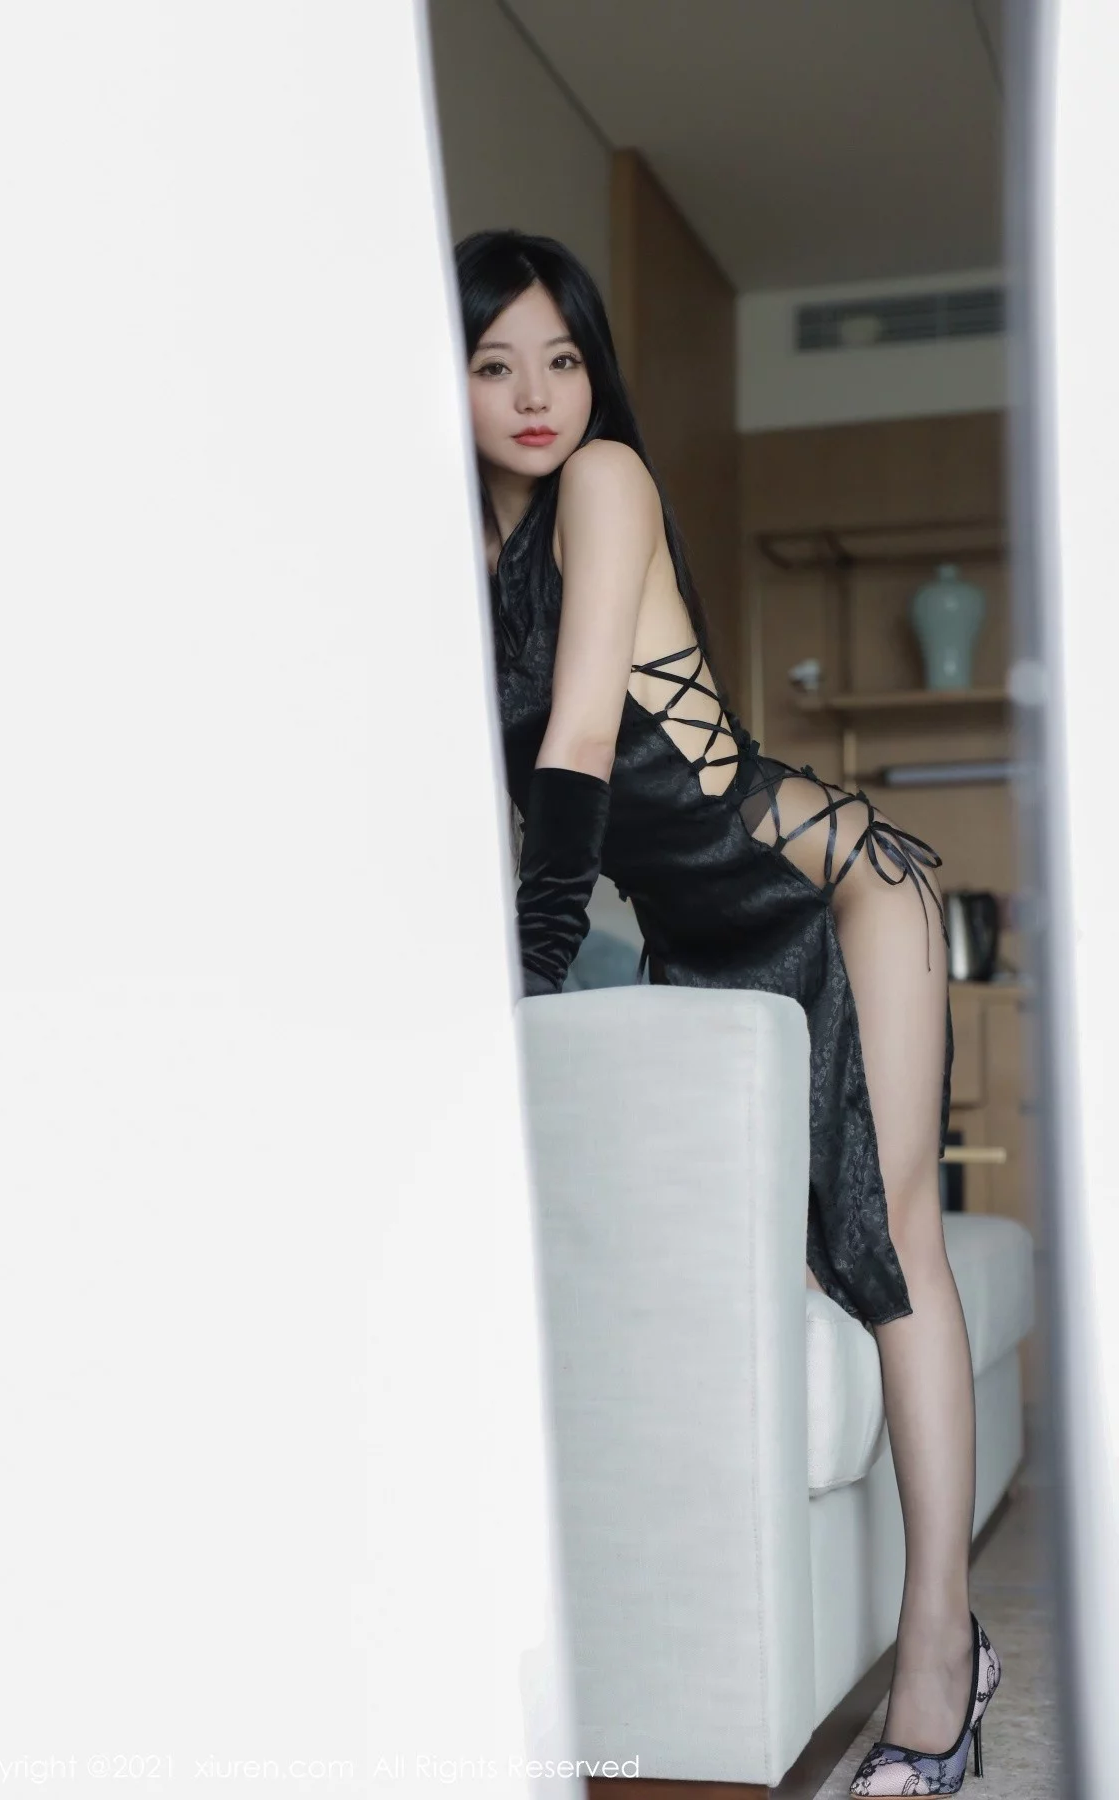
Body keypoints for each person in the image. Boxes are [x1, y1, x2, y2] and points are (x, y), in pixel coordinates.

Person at [455, 227, 1002, 1796]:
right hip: (700, 947)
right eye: (494, 364)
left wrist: (532, 980)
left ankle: (942, 1664)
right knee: (753, 1271)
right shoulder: (460, 567)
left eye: (564, 357)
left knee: (889, 1248)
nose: (538, 395)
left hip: (832, 895)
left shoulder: (605, 480)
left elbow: (577, 744)